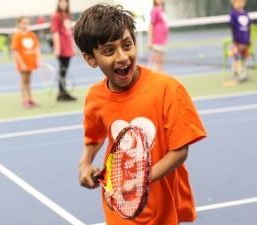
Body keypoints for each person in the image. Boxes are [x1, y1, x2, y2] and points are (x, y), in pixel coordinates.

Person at [75, 4, 207, 225]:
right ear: (90, 58)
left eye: (127, 45)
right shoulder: (95, 97)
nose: (123, 57)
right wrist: (85, 163)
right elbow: (94, 136)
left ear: (135, 42)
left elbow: (180, 151)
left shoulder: (168, 88)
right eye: (109, 51)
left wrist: (140, 181)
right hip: (120, 204)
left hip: (163, 206)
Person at [11, 16, 44, 108]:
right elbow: (16, 51)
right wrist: (22, 64)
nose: (26, 24)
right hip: (23, 62)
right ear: (19, 24)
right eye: (24, 23)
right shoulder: (17, 35)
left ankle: (30, 99)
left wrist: (40, 60)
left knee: (28, 81)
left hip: (31, 61)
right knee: (23, 80)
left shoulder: (31, 34)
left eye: (27, 23)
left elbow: (36, 48)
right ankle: (24, 100)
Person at [51, 0, 77, 101]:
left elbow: (69, 33)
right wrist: (57, 48)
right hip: (61, 49)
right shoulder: (56, 16)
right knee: (62, 71)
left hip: (68, 48)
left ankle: (63, 92)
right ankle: (61, 93)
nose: (63, 4)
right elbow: (55, 32)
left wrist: (72, 46)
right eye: (61, 2)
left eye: (65, 2)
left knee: (64, 71)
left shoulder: (67, 15)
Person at [229, 0, 251, 82]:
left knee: (243, 58)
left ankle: (243, 73)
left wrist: (248, 40)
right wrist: (235, 40)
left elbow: (248, 28)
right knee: (236, 58)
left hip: (245, 41)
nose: (239, 3)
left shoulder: (246, 13)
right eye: (237, 2)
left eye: (241, 1)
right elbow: (232, 27)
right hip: (237, 42)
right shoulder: (233, 14)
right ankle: (235, 74)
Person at [147, 0, 169, 72]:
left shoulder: (162, 10)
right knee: (158, 62)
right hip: (157, 40)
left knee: (161, 61)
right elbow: (151, 26)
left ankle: (160, 76)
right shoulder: (154, 10)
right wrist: (150, 41)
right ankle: (157, 77)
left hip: (163, 40)